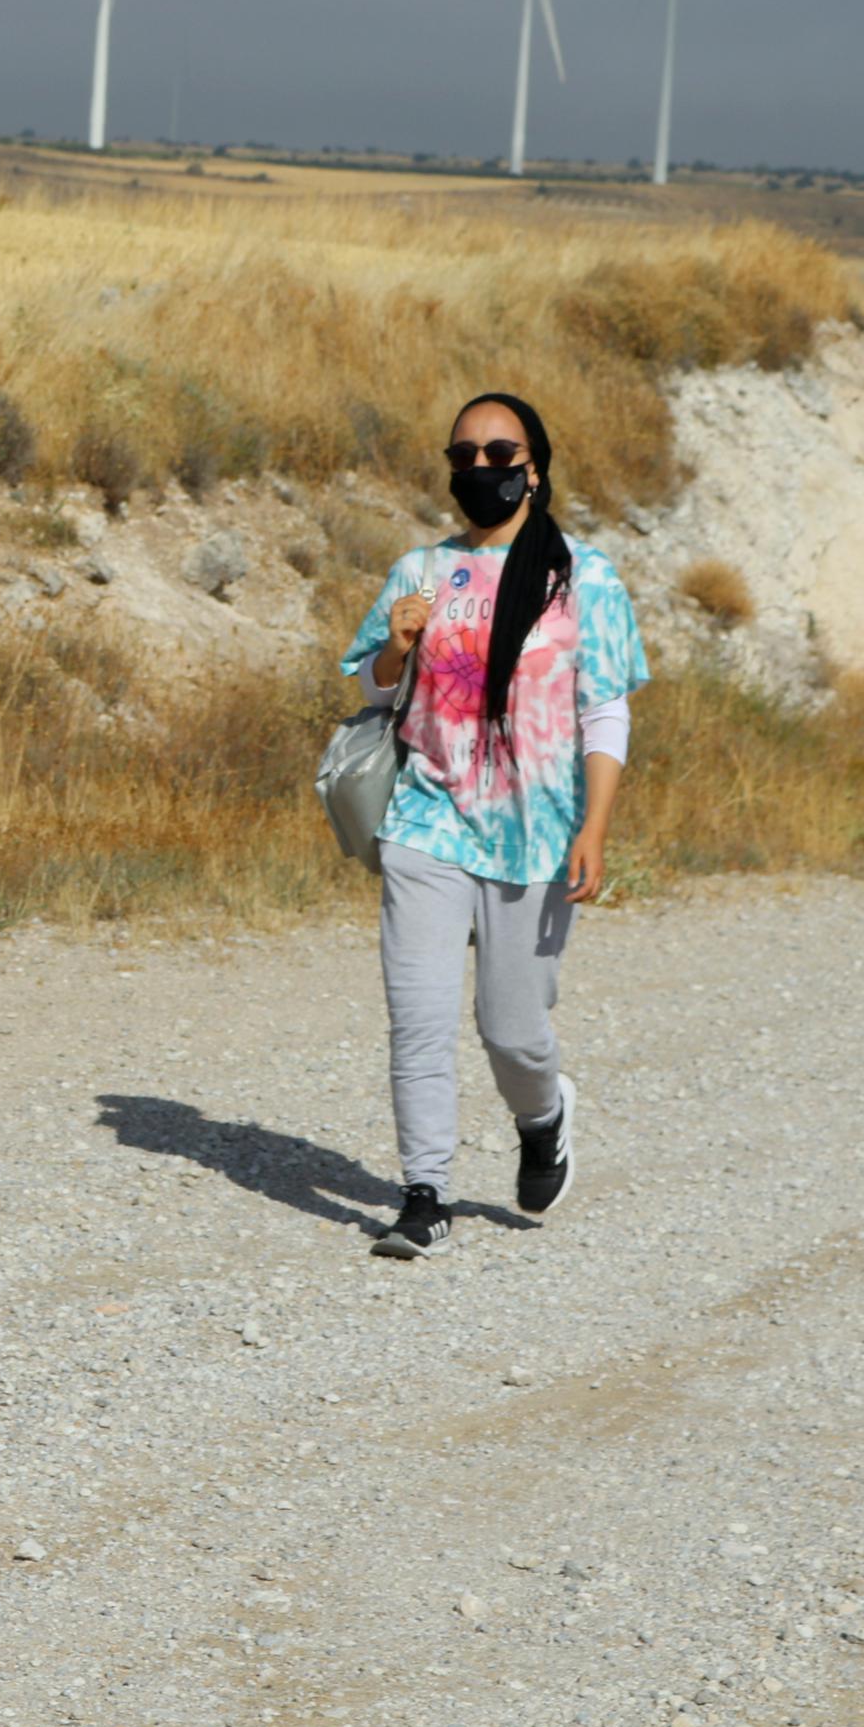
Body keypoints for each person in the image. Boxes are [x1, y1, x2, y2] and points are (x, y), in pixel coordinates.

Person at [339, 391, 648, 1260]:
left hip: (538, 836)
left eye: (499, 452)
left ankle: (543, 1115)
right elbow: (370, 689)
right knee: (421, 1019)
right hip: (426, 823)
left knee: (512, 1030)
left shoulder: (583, 577)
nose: (481, 468)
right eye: (463, 455)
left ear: (534, 467)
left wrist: (595, 825)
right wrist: (395, 649)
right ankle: (424, 1192)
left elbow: (604, 713)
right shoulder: (420, 571)